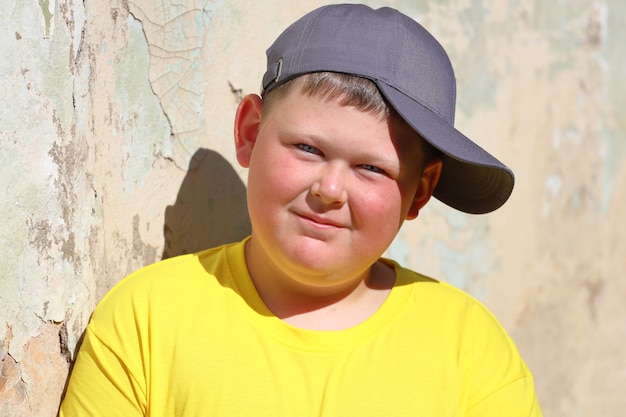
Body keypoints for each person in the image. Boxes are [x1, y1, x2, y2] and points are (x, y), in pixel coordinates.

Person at [60, 4, 542, 416]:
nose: (330, 188)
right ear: (250, 132)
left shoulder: (469, 350)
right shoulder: (145, 321)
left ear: (420, 190)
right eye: (307, 148)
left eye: (372, 167)